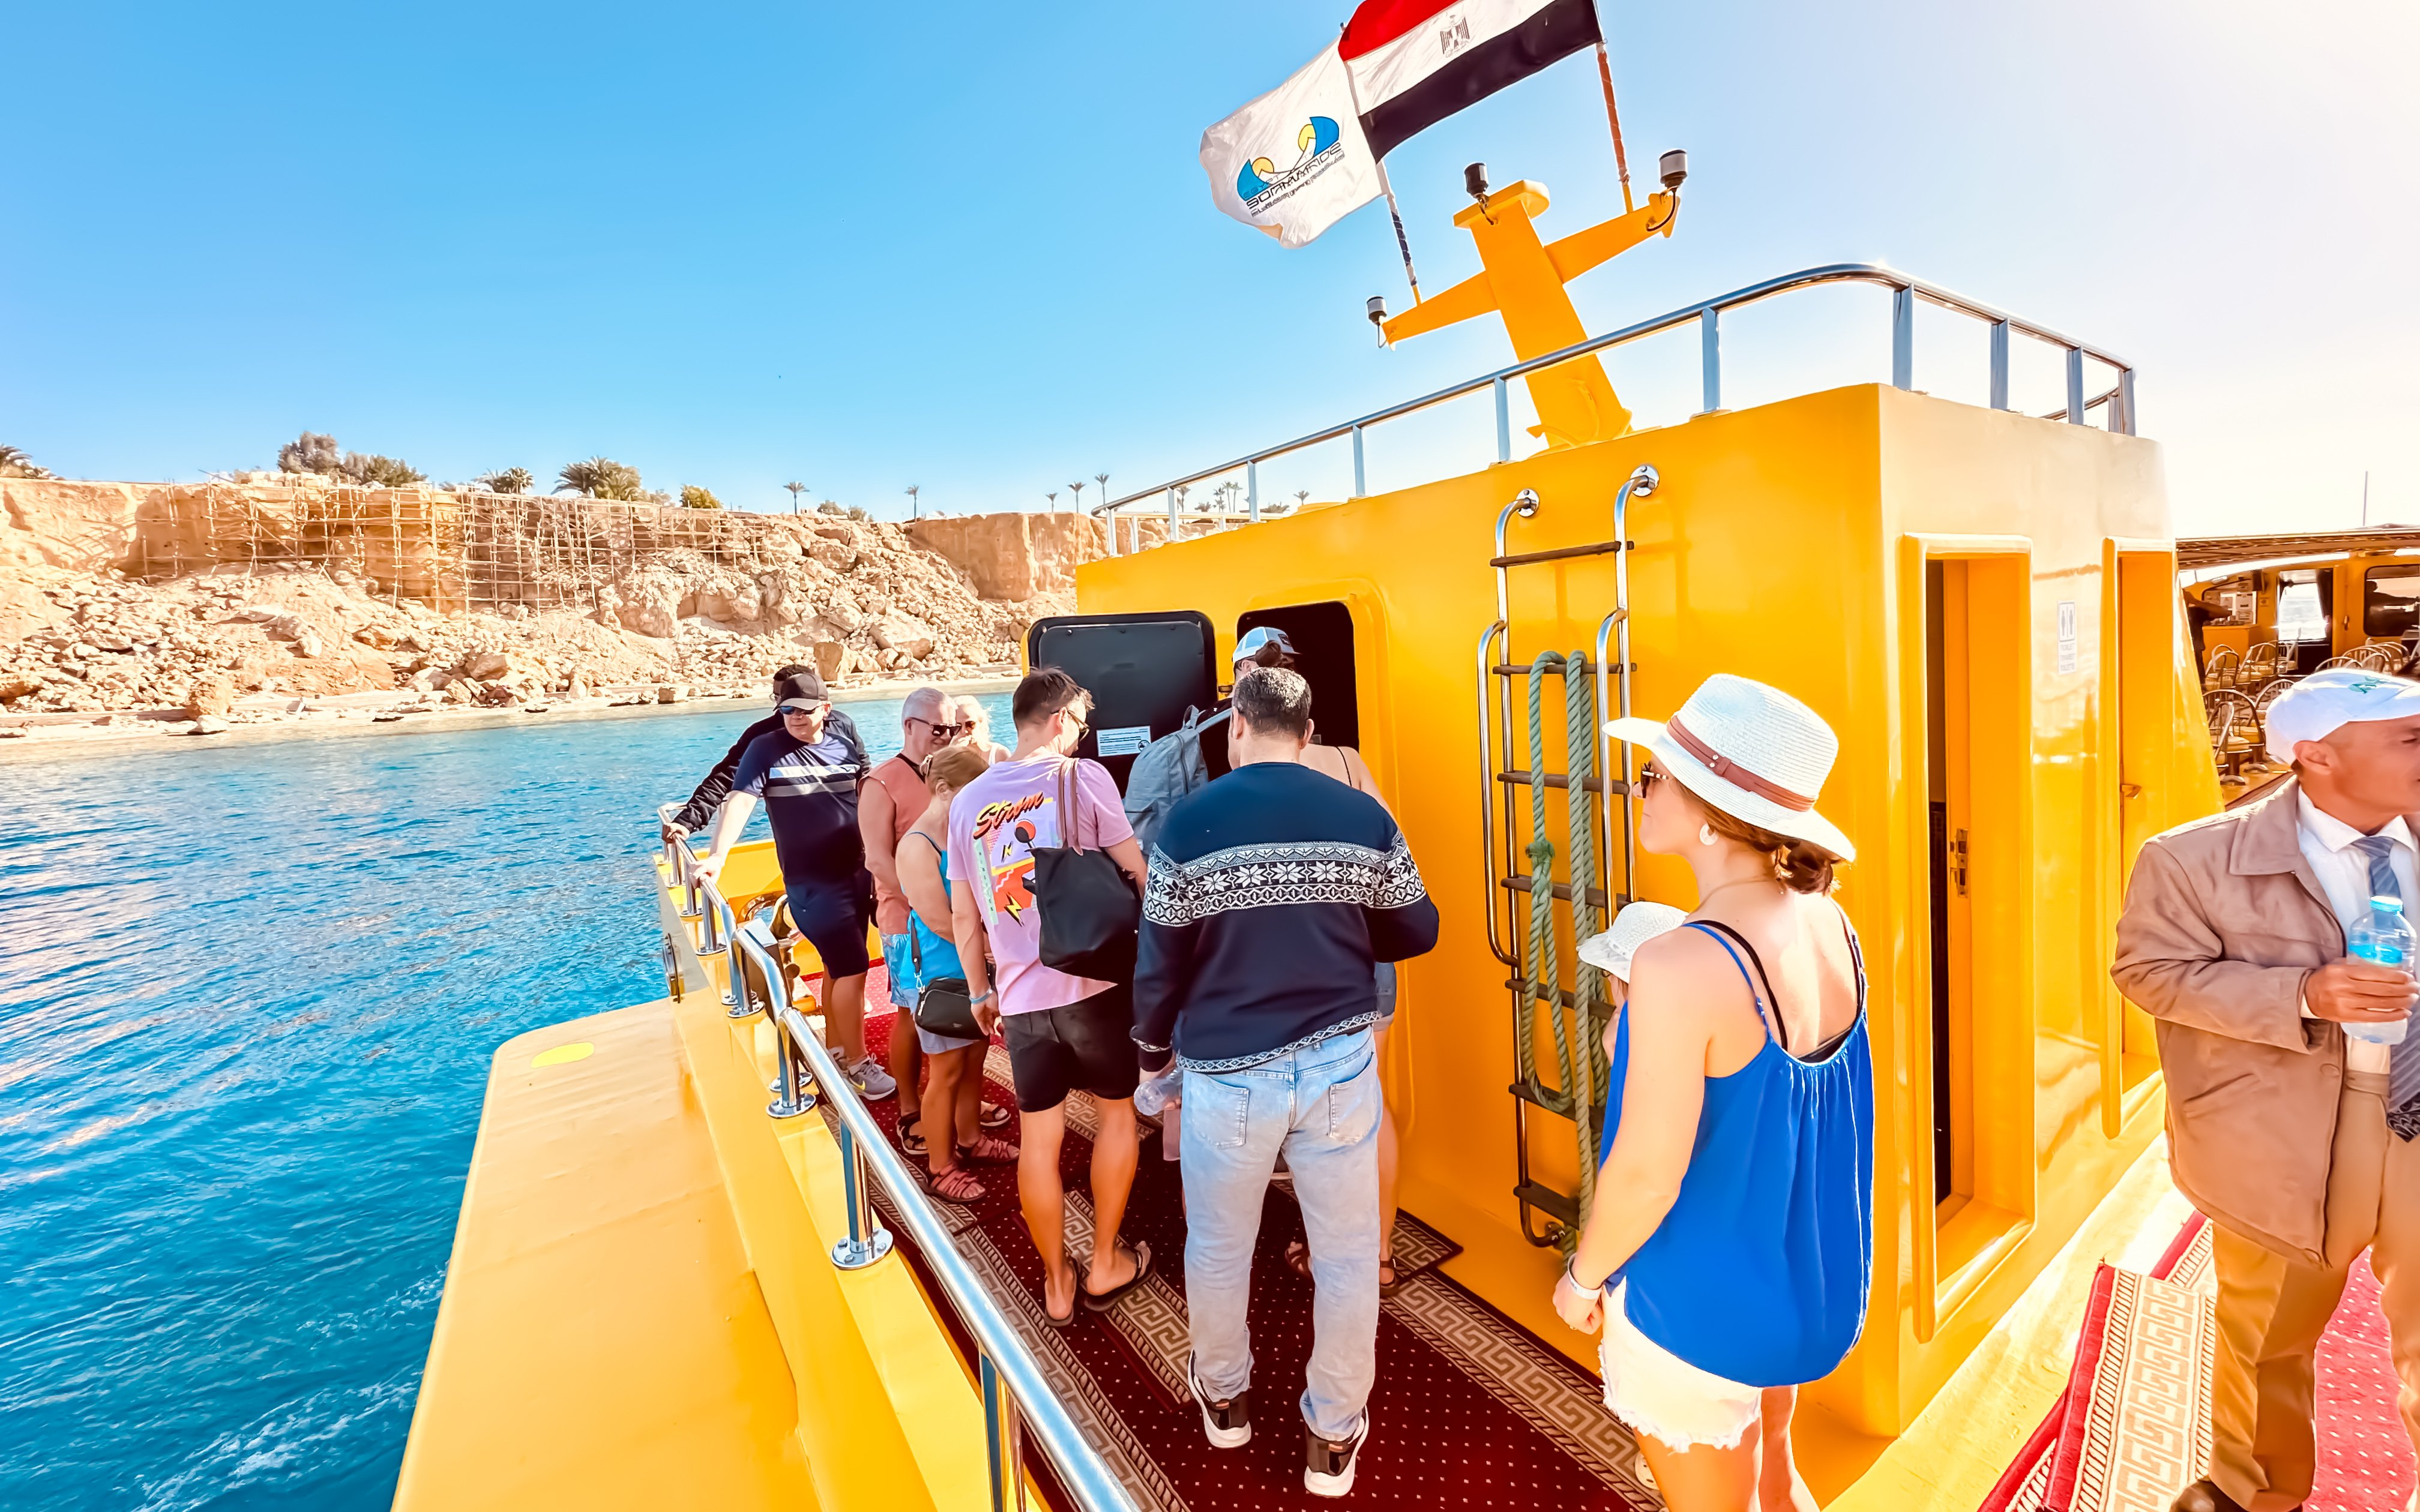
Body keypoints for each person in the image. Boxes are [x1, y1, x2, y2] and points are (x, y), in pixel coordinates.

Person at [1552, 673, 1870, 1512]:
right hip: (1810, 1287)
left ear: (1708, 810)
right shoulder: (1833, 925)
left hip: (1697, 1309)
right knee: (1777, 1475)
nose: (1639, 788)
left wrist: (1582, 1280)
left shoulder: (1681, 964)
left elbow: (1647, 1174)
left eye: (1653, 774)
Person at [2113, 669, 2420, 1512]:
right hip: (2291, 1129)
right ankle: (2252, 1493)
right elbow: (2148, 973)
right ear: (2317, 756)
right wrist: (2302, 995)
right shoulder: (2191, 858)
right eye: (2411, 737)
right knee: (2269, 1337)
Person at [1133, 665, 1441, 1498]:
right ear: (1308, 737)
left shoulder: (1188, 824)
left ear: (1237, 729)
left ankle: (1225, 1401)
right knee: (1345, 1260)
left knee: (1221, 1247)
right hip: (1342, 1067)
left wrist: (1153, 1060)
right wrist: (1340, 922)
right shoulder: (1361, 817)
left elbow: (1157, 969)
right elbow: (1419, 927)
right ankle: (1333, 1438)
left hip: (1228, 1079)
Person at [950, 668, 1154, 1325]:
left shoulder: (966, 801)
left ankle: (1056, 1283)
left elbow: (963, 916)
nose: (1082, 737)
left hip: (1019, 995)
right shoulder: (1082, 778)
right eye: (1082, 725)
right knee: (1117, 1117)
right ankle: (1103, 1262)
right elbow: (1136, 870)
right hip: (1094, 985)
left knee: (1041, 1139)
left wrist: (981, 991)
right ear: (1063, 718)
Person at [1233, 627, 1415, 1296]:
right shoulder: (1348, 762)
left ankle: (1324, 1246)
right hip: (1368, 958)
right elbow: (1397, 859)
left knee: (1314, 1110)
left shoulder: (1248, 771)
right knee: (1369, 1104)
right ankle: (1381, 1253)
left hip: (1300, 969)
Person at [692, 668, 895, 1098]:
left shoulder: (844, 737)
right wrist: (718, 857)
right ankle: (859, 1065)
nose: (795, 718)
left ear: (826, 709)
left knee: (843, 969)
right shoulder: (765, 749)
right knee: (855, 967)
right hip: (813, 882)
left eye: (804, 710)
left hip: (858, 870)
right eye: (786, 710)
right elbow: (741, 801)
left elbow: (867, 789)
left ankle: (839, 1051)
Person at [862, 686, 1006, 1150]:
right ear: (911, 726)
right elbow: (878, 860)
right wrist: (923, 902)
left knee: (968, 1051)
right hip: (918, 933)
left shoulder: (954, 806)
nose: (948, 735)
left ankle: (967, 1131)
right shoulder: (882, 783)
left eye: (955, 727)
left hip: (959, 943)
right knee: (920, 1025)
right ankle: (915, 1116)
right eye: (940, 728)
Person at [895, 743, 1020, 1201]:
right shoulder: (917, 845)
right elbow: (938, 920)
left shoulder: (962, 833)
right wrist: (992, 951)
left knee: (973, 1061)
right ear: (944, 789)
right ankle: (940, 1165)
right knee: (945, 1071)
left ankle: (969, 1138)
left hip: (975, 967)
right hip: (945, 973)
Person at [664, 664, 844, 838]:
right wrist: (687, 822)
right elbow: (725, 777)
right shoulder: (762, 735)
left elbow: (863, 773)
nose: (785, 706)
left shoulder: (842, 727)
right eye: (778, 698)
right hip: (797, 837)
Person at [955, 693, 1011, 763]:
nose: (964, 731)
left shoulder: (998, 754)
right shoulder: (948, 756)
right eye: (958, 726)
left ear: (980, 721)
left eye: (970, 725)